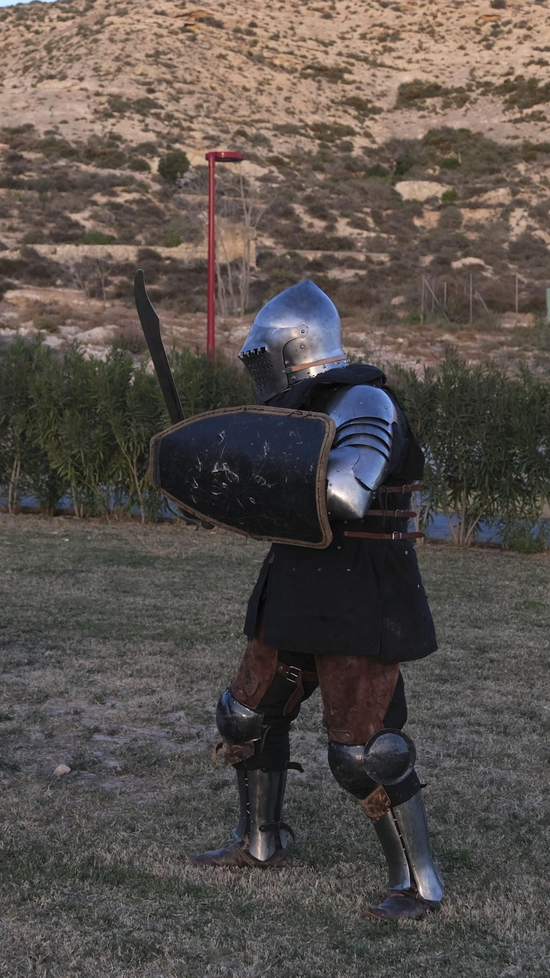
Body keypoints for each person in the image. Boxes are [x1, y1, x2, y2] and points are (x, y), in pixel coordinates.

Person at [187, 279, 445, 921]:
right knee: (245, 715)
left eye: (262, 357)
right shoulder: (298, 410)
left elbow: (347, 492)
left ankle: (419, 884)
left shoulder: (365, 400)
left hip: (358, 589)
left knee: (363, 749)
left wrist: (252, 482)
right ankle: (260, 842)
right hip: (297, 581)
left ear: (290, 350)